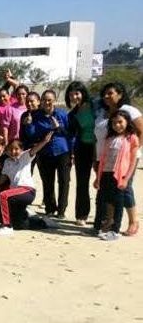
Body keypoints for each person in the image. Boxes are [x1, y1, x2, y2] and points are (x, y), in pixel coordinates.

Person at [0, 131, 54, 236]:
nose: (13, 151)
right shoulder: (7, 162)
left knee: (3, 195)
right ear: (7, 151)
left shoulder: (25, 156)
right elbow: (1, 180)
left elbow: (36, 149)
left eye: (16, 149)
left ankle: (7, 226)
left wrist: (44, 141)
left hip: (27, 190)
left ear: (21, 149)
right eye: (11, 149)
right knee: (19, 224)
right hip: (14, 193)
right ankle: (44, 222)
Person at [93, 82, 142, 236]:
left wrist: (132, 150)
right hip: (105, 158)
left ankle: (133, 221)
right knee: (108, 191)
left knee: (124, 188)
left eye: (110, 93)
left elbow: (141, 130)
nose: (107, 96)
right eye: (105, 94)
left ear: (120, 94)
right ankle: (110, 221)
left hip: (125, 159)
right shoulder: (104, 113)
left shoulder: (128, 110)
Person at [23, 90, 71, 219]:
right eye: (44, 100)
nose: (46, 102)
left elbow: (70, 133)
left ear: (54, 100)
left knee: (64, 181)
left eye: (49, 100)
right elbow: (33, 135)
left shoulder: (62, 114)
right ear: (41, 101)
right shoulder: (36, 115)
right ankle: (50, 208)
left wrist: (58, 127)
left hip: (63, 151)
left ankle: (61, 210)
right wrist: (28, 125)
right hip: (45, 152)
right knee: (47, 181)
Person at [65, 81, 96, 226]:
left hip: (100, 148)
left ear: (83, 93)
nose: (74, 97)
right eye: (71, 94)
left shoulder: (94, 106)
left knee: (105, 181)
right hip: (82, 149)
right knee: (82, 183)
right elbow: (70, 135)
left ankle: (104, 215)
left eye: (76, 93)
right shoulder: (72, 115)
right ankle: (82, 214)